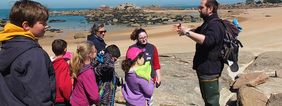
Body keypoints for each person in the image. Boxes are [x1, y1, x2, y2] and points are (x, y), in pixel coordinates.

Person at [0, 0, 55, 105]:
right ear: (26, 25)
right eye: (42, 23)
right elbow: (40, 97)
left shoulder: (7, 45)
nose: (46, 26)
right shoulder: (34, 54)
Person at [173, 0, 225, 106]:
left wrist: (187, 33)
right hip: (205, 68)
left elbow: (208, 41)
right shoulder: (208, 22)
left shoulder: (215, 24)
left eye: (201, 7)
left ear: (210, 9)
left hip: (210, 70)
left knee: (211, 102)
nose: (198, 9)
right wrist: (185, 30)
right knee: (208, 99)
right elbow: (198, 31)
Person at [128, 28, 161, 105]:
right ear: (137, 39)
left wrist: (159, 78)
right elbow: (128, 65)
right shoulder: (132, 48)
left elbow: (156, 65)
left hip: (149, 79)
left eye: (145, 37)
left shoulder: (152, 48)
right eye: (141, 38)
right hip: (136, 80)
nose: (144, 39)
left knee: (149, 100)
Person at [70, 41, 100, 106]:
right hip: (82, 103)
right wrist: (98, 101)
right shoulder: (88, 72)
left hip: (75, 101)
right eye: (94, 51)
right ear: (89, 54)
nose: (96, 51)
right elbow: (94, 96)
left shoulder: (78, 66)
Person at [51, 39, 72, 106]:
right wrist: (68, 97)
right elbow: (64, 84)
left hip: (53, 96)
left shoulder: (51, 63)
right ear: (65, 49)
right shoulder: (63, 64)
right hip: (61, 99)